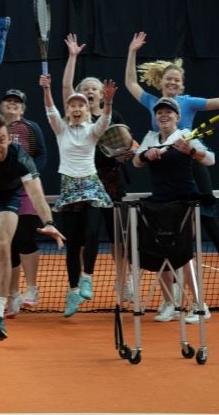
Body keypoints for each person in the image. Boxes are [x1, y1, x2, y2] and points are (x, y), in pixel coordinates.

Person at [0, 111, 65, 341]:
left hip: (7, 200)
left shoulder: (20, 157)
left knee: (4, 246)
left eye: (1, 140)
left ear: (8, 139)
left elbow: (37, 194)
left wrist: (48, 222)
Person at [125, 31, 219, 257]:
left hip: (190, 162)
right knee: (170, 224)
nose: (173, 82)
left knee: (206, 217)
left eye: (177, 79)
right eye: (169, 78)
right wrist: (131, 52)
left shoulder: (190, 102)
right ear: (162, 82)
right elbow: (130, 82)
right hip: (165, 169)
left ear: (182, 84)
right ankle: (178, 273)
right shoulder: (152, 102)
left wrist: (191, 151)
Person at [64, 34, 135, 301]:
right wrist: (72, 57)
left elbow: (129, 142)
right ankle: (81, 282)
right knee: (83, 236)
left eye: (95, 88)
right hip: (80, 182)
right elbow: (66, 87)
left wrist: (126, 154)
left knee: (118, 237)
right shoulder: (75, 117)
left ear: (101, 94)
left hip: (110, 181)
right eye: (86, 88)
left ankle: (123, 281)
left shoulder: (111, 116)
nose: (91, 91)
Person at [132, 96, 213, 323]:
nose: (164, 115)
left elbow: (210, 161)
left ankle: (200, 306)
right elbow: (136, 163)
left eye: (169, 112)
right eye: (159, 112)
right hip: (159, 203)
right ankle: (170, 303)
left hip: (186, 202)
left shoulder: (187, 136)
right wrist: (144, 155)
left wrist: (191, 152)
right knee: (160, 252)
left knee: (185, 254)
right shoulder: (150, 137)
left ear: (177, 117)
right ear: (155, 117)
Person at [40, 73, 116, 317]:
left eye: (81, 104)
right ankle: (73, 291)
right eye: (72, 104)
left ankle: (87, 278)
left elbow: (105, 119)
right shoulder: (60, 129)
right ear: (68, 109)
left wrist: (109, 101)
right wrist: (46, 88)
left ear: (86, 109)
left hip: (92, 185)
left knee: (93, 233)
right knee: (73, 245)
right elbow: (50, 109)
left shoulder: (93, 130)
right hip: (69, 187)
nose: (76, 108)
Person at [0, 89, 48, 317]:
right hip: (2, 192)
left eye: (17, 102)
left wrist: (29, 174)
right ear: (1, 105)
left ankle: (31, 289)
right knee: (9, 245)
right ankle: (13, 295)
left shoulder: (31, 128)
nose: (13, 104)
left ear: (23, 108)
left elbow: (41, 155)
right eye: (8, 101)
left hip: (26, 190)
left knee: (26, 237)